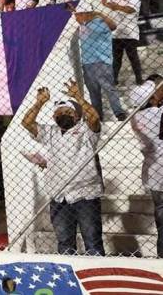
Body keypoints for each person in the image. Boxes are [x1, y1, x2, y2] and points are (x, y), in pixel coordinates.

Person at [21, 81, 105, 256]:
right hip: (59, 197)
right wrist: (39, 102)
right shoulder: (51, 132)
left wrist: (77, 97)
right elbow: (27, 123)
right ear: (54, 118)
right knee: (65, 244)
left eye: (68, 112)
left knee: (93, 242)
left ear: (77, 116)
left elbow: (95, 118)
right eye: (59, 113)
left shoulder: (86, 130)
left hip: (85, 194)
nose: (64, 115)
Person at [73, 0, 126, 120]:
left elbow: (113, 26)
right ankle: (98, 116)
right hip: (87, 63)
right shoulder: (83, 26)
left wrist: (99, 14)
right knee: (93, 92)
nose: (75, 17)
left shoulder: (99, 22)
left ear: (85, 14)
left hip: (101, 61)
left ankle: (119, 113)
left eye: (78, 15)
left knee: (108, 88)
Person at [130, 74, 163, 257]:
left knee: (161, 216)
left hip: (153, 173)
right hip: (158, 168)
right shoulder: (156, 113)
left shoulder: (137, 116)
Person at [102, 0, 143, 86]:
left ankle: (139, 79)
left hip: (130, 32)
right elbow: (104, 3)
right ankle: (114, 79)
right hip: (117, 33)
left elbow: (130, 10)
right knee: (116, 58)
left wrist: (117, 7)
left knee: (133, 57)